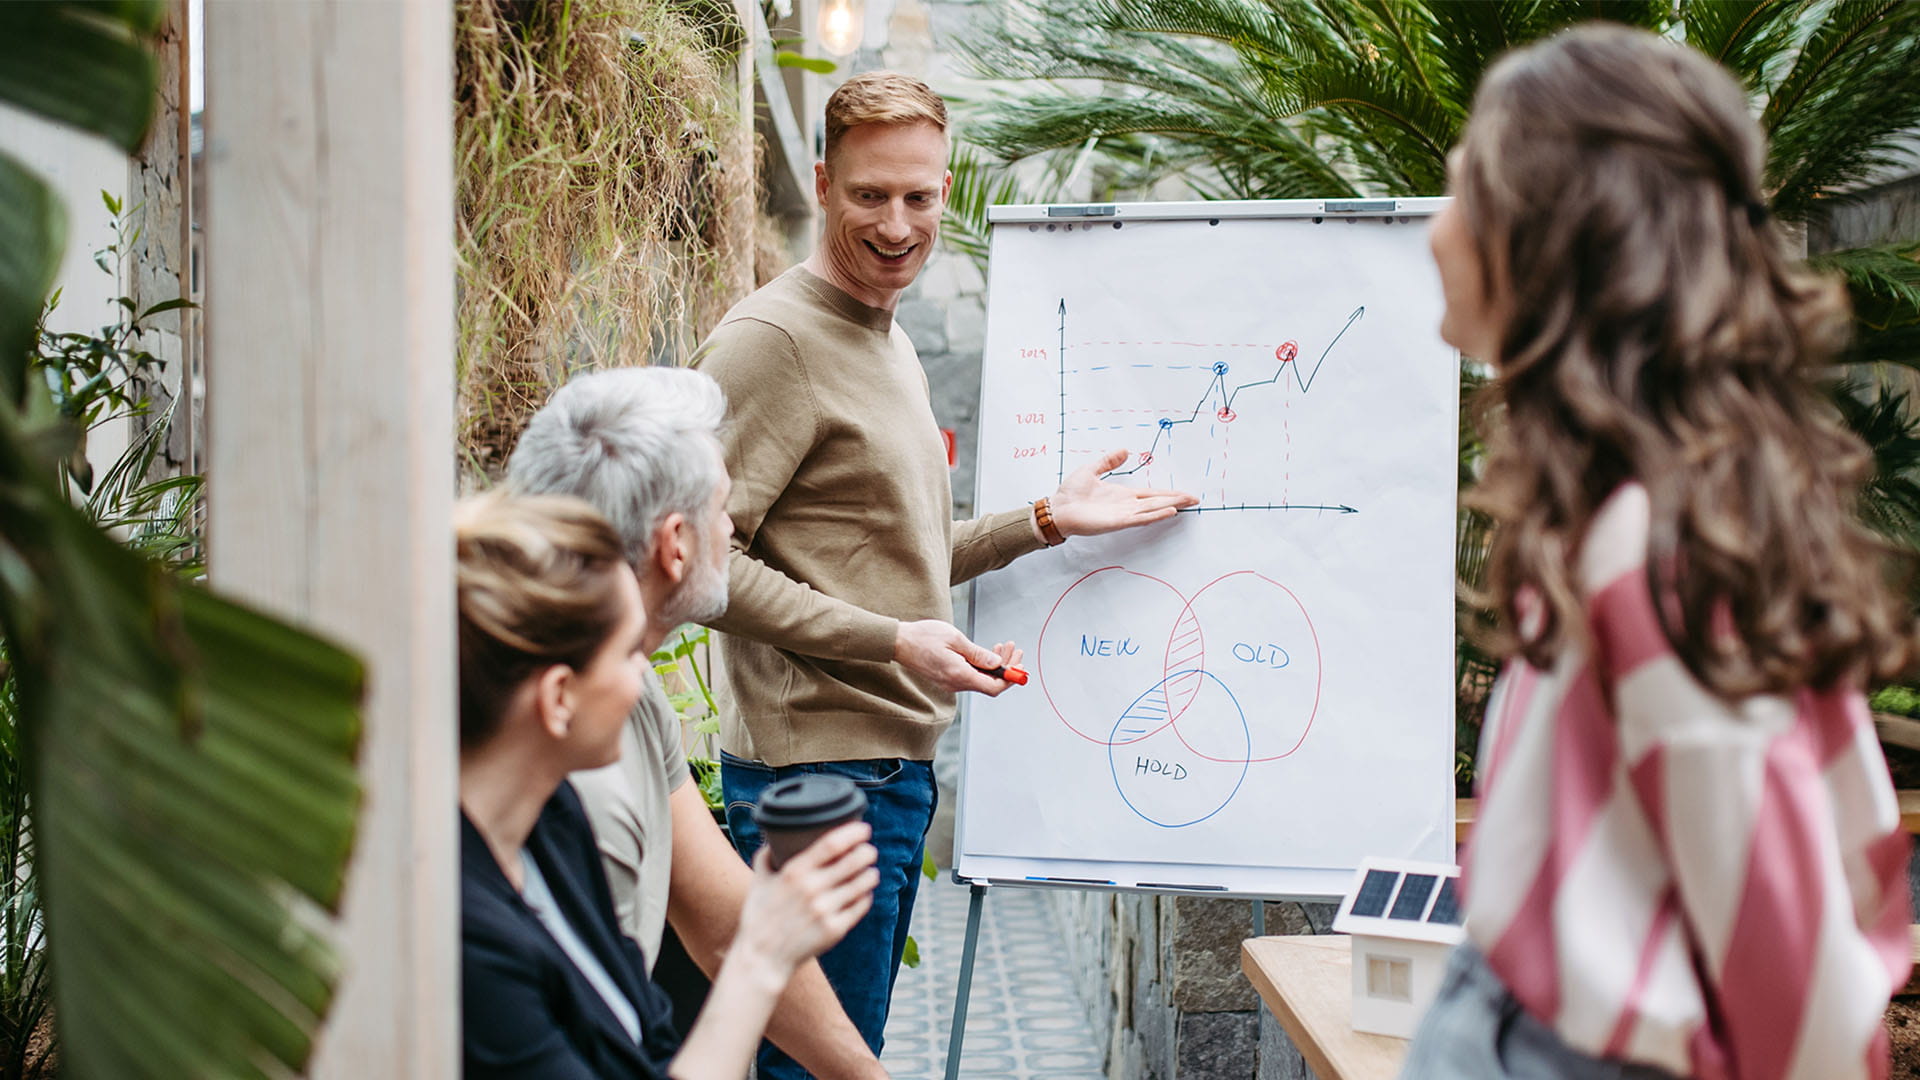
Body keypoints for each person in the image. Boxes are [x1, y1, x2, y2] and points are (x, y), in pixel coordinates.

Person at [1404, 24, 1914, 1080]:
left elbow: (1790, 960)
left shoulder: (1653, 554)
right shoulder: (1621, 518)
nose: (1434, 230)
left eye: (1461, 189)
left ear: (1548, 231)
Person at [691, 70, 1198, 1073]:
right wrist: (893, 642)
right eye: (870, 195)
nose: (897, 225)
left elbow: (892, 553)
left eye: (918, 196)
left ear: (945, 191)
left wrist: (1045, 520)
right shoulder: (771, 342)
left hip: (877, 779)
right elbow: (700, 567)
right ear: (824, 184)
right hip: (817, 785)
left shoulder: (885, 339)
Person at [506, 366, 889, 1078]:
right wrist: (763, 953)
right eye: (722, 508)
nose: (732, 528)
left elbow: (720, 916)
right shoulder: (558, 779)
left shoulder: (632, 690)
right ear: (674, 543)